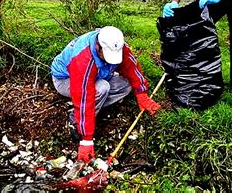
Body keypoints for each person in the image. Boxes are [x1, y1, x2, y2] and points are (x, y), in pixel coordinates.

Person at [50, 26, 161, 163]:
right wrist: (86, 140)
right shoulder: (83, 58)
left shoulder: (117, 45)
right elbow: (84, 96)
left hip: (98, 75)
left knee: (126, 85)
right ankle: (75, 119)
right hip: (66, 79)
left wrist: (141, 94)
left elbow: (131, 67)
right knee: (102, 88)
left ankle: (95, 107)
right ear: (98, 47)